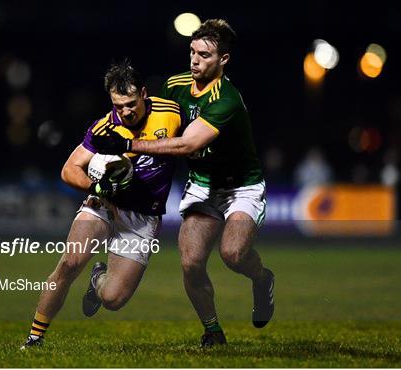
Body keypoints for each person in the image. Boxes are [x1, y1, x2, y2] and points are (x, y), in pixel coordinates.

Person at [91, 19, 274, 347]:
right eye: (192, 52)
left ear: (224, 60)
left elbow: (187, 144)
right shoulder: (175, 85)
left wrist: (127, 147)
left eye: (204, 55)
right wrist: (117, 163)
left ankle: (262, 279)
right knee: (191, 262)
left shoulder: (227, 99)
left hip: (240, 187)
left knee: (233, 254)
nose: (194, 60)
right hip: (202, 184)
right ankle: (213, 330)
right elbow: (155, 126)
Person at [21, 60, 184, 349]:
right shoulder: (104, 129)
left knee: (113, 299)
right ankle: (34, 338)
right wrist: (96, 186)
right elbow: (68, 169)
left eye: (131, 104)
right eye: (118, 105)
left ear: (144, 94)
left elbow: (194, 141)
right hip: (103, 204)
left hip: (143, 217)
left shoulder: (171, 112)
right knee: (69, 263)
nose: (125, 112)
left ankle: (98, 279)